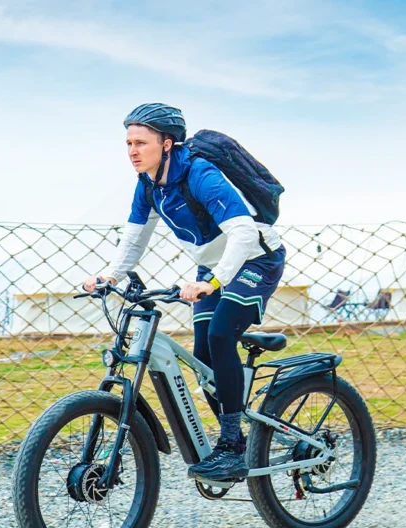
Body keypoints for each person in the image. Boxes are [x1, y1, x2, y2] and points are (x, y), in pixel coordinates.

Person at [83, 103, 286, 481]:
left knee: (222, 333)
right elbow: (135, 237)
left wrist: (210, 283)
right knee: (204, 356)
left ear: (168, 143)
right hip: (215, 267)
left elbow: (243, 233)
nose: (132, 151)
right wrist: (111, 276)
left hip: (255, 260)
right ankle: (239, 426)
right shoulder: (148, 184)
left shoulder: (201, 175)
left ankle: (232, 447)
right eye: (128, 143)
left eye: (140, 142)